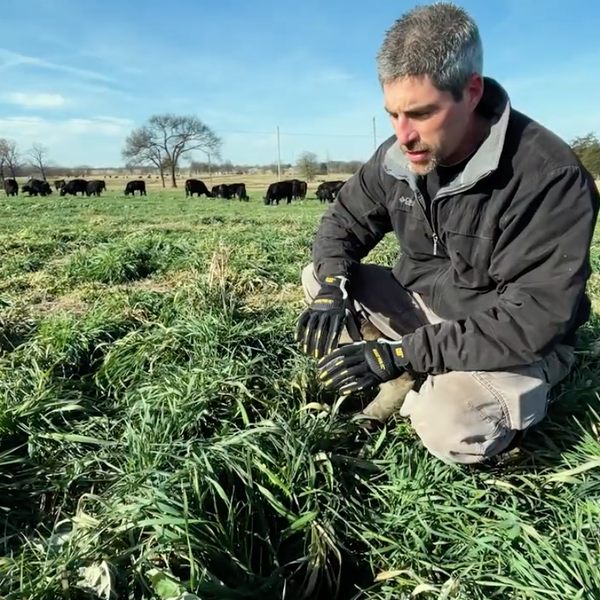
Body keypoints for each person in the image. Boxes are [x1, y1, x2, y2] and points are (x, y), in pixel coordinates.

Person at [295, 1, 599, 466]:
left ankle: (450, 388)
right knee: (318, 279)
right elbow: (343, 221)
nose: (404, 134)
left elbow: (532, 319)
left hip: (509, 335)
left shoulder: (548, 177)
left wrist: (401, 354)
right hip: (426, 307)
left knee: (450, 424)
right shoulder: (398, 156)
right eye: (393, 113)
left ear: (471, 91)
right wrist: (333, 285)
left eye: (420, 113)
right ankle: (413, 373)